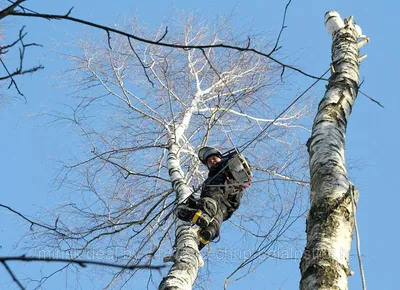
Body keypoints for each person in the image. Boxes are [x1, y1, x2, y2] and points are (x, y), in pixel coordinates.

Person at [176, 146, 252, 250]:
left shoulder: (223, 167)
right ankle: (208, 233)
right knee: (219, 214)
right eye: (209, 162)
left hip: (222, 189)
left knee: (212, 194)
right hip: (230, 202)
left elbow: (244, 165)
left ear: (220, 158)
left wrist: (234, 158)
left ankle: (205, 214)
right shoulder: (217, 172)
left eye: (214, 158)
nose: (212, 161)